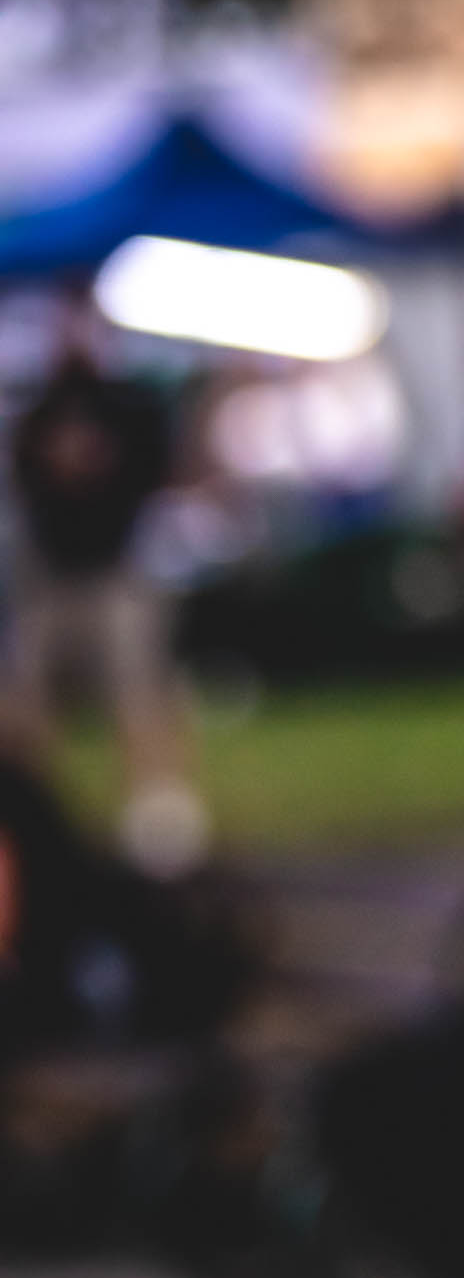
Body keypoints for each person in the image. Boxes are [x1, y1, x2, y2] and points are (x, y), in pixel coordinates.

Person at [4, 339, 208, 878]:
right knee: (23, 703)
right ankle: (30, 825)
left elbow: (161, 471)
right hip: (51, 576)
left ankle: (159, 820)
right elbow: (23, 484)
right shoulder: (41, 409)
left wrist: (101, 465)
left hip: (115, 569)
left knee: (139, 690)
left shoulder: (125, 405)